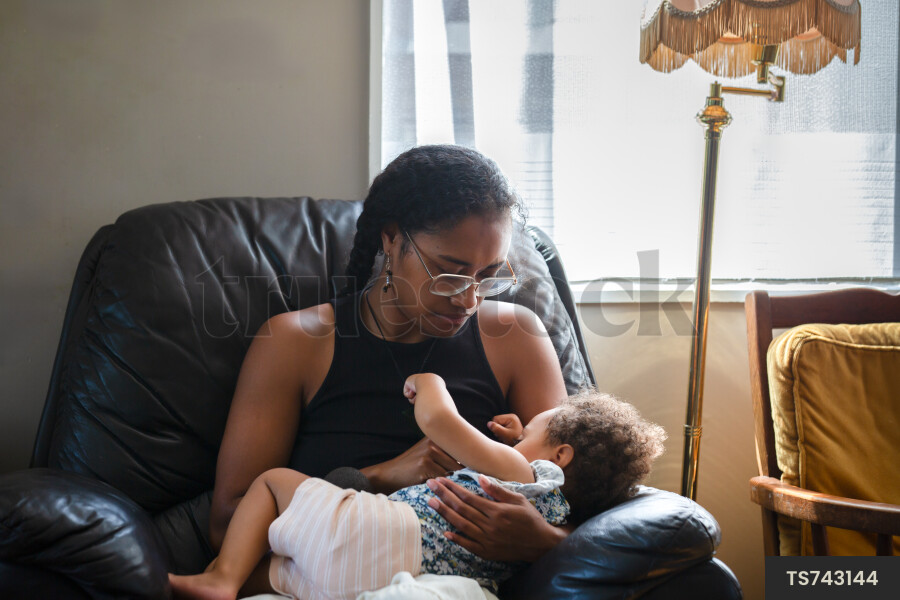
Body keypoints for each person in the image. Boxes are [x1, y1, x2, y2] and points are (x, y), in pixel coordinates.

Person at [209, 145, 572, 567]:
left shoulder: (517, 336)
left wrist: (544, 539)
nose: (468, 299)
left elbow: (573, 494)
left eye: (488, 276)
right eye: (449, 272)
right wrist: (378, 477)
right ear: (391, 238)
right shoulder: (295, 343)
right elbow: (226, 524)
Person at [170, 374, 666, 599]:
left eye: (533, 428)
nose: (519, 434)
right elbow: (532, 459)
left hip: (382, 530)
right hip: (386, 576)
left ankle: (220, 580)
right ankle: (228, 584)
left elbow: (438, 420)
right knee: (284, 571)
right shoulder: (555, 509)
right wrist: (524, 438)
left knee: (274, 483)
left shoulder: (522, 475)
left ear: (559, 457)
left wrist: (430, 383)